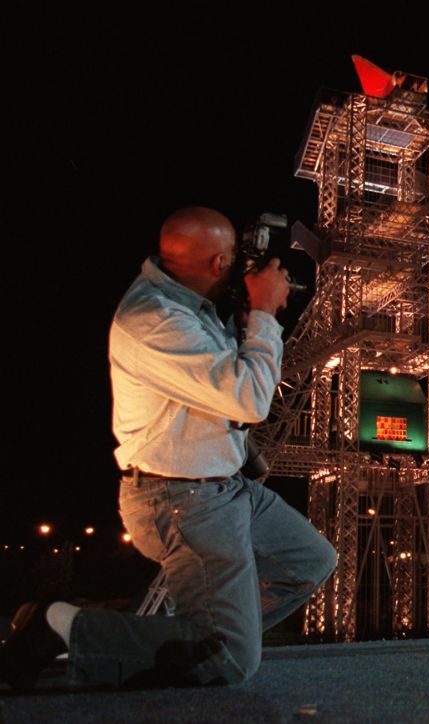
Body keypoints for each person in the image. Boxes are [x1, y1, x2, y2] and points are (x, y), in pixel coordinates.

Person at [0, 207, 336, 692]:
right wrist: (263, 316)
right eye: (236, 259)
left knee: (309, 562)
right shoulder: (156, 320)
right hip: (183, 501)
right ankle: (60, 627)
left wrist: (245, 324)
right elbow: (248, 399)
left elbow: (224, 394)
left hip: (224, 486)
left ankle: (196, 643)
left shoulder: (193, 307)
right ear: (219, 263)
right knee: (234, 661)